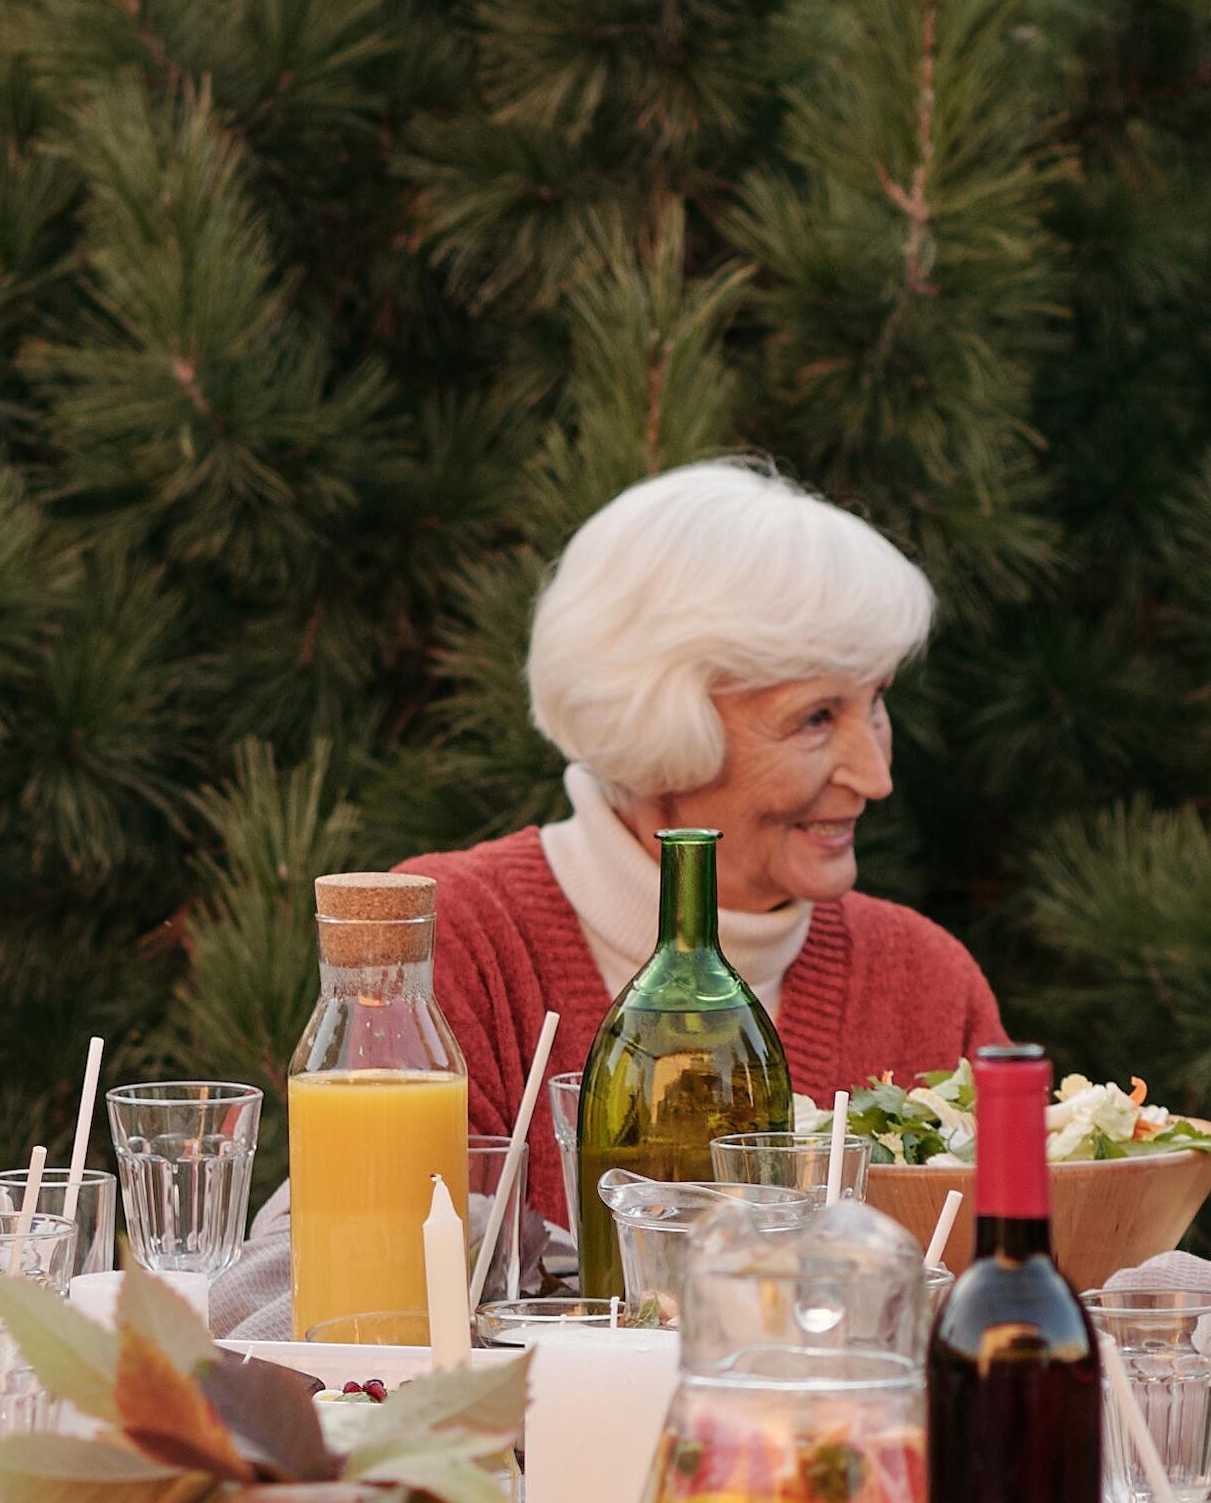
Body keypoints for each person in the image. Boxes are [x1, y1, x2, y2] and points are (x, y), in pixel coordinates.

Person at [396, 459, 1013, 1139]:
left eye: (876, 704)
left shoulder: (923, 982)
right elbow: (338, 1235)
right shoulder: (449, 943)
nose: (874, 778)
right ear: (655, 724)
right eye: (815, 718)